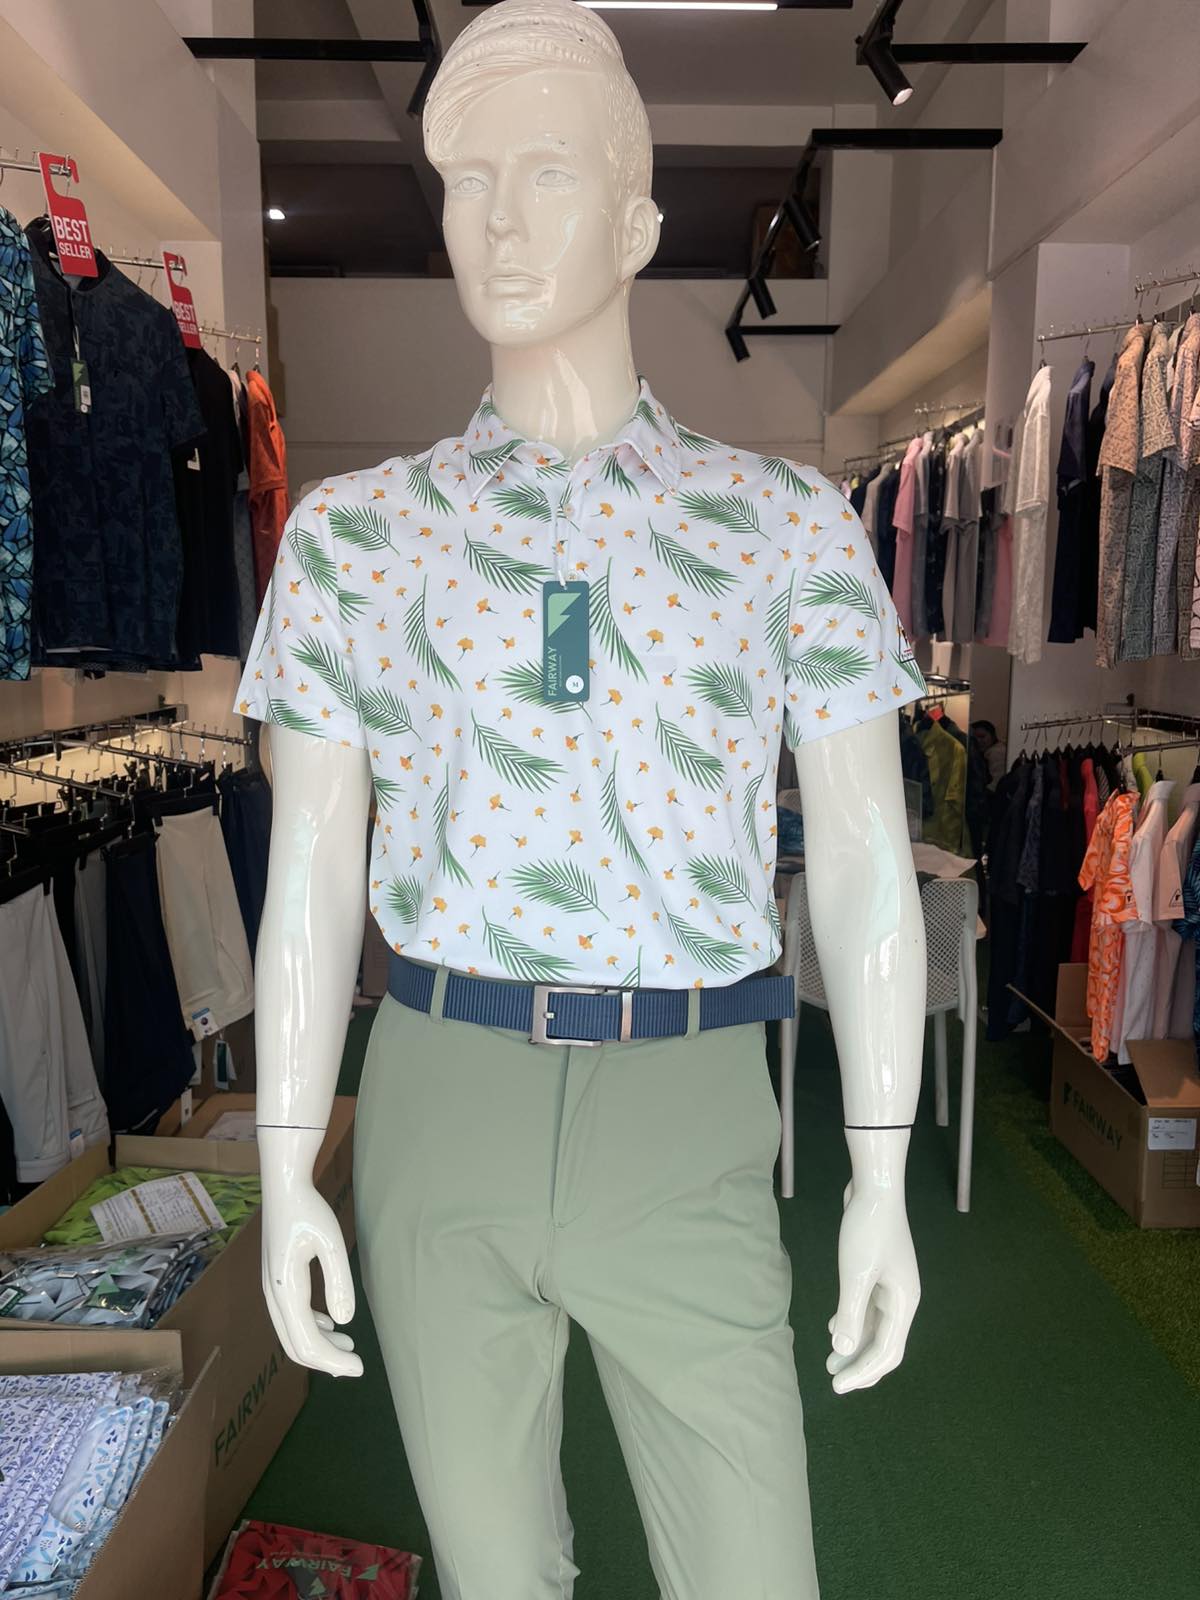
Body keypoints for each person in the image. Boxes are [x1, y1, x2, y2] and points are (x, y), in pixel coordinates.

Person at [237, 5, 929, 1596]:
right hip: (440, 1098)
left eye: (543, 171)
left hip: (685, 1106)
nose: (495, 217)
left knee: (753, 1576)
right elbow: (310, 880)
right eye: (466, 179)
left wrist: (883, 1171)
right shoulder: (351, 539)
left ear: (635, 223)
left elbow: (865, 865)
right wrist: (282, 1167)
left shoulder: (784, 528)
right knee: (497, 1578)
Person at [972, 718, 1008, 789]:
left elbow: (996, 783)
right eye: (974, 738)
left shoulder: (996, 753)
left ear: (993, 736)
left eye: (982, 737)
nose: (978, 741)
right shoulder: (988, 752)